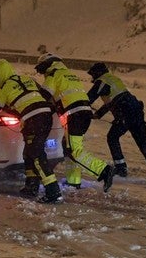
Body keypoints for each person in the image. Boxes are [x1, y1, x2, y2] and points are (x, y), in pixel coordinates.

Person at [0, 59, 63, 204]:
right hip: (46, 115)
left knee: (36, 154)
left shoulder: (4, 87)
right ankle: (31, 186)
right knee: (29, 153)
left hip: (33, 119)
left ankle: (53, 191)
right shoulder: (26, 79)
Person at [35, 54, 114, 192]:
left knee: (73, 150)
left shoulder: (54, 75)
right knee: (69, 148)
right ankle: (73, 181)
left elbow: (43, 96)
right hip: (83, 113)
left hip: (74, 115)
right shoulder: (68, 74)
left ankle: (104, 170)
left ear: (47, 65)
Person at [86, 62, 146, 180]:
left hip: (125, 110)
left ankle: (120, 168)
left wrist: (82, 108)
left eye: (93, 74)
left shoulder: (101, 81)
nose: (92, 78)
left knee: (112, 137)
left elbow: (89, 99)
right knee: (142, 140)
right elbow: (112, 100)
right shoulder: (113, 79)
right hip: (136, 108)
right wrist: (98, 114)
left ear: (98, 73)